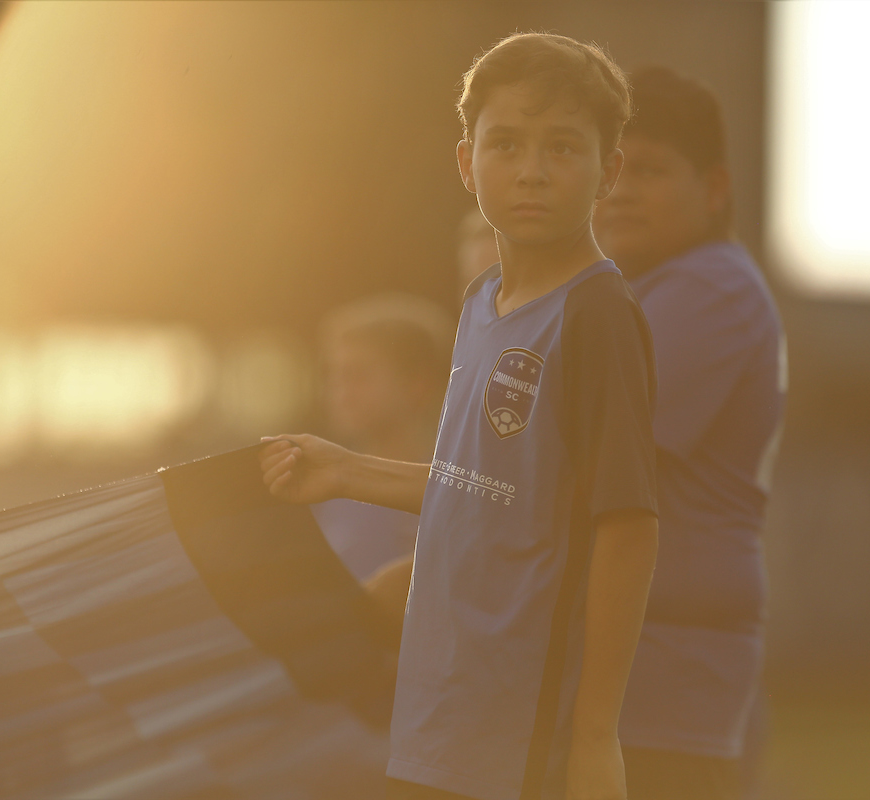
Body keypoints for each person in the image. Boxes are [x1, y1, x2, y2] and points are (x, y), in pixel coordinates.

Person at [261, 32, 660, 800]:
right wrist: (344, 471)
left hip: (524, 723)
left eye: (563, 148)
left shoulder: (598, 314)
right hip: (439, 711)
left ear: (608, 172)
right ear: (465, 162)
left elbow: (628, 527)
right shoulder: (482, 305)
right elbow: (484, 486)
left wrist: (595, 733)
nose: (532, 171)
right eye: (505, 143)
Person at [591, 67, 787, 800]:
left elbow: (560, 450)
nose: (622, 190)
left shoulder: (708, 287)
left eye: (649, 169)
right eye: (611, 168)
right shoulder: (652, 288)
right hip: (647, 678)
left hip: (666, 686)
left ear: (715, 190)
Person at [311, 293, 454, 584]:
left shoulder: (456, 490)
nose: (341, 394)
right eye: (334, 376)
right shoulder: (319, 492)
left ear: (418, 385)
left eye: (358, 376)